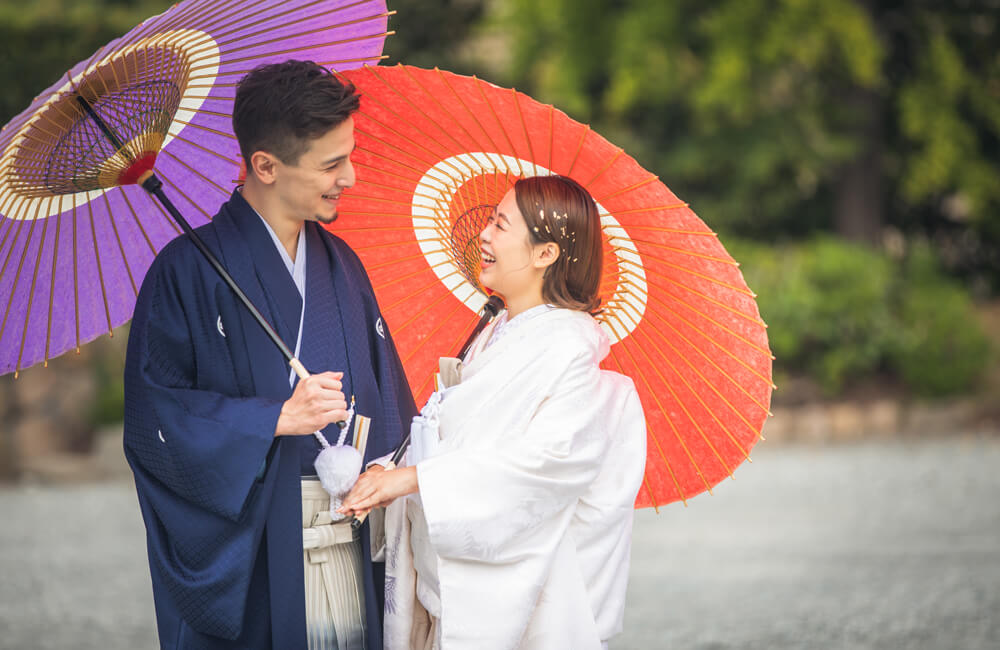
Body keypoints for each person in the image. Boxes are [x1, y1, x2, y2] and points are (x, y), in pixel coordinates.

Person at [123, 60, 415, 649]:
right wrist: (272, 419)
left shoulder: (344, 267)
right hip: (255, 548)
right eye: (332, 165)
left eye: (349, 156)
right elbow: (155, 422)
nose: (349, 178)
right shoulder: (186, 274)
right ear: (265, 165)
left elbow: (390, 402)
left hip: (349, 534)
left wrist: (388, 469)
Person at [340, 175, 648, 649]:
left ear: (545, 254)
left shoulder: (566, 346)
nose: (483, 235)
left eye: (501, 225)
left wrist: (414, 479)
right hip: (451, 587)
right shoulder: (498, 329)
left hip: (522, 606)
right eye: (489, 221)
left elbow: (548, 464)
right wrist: (387, 472)